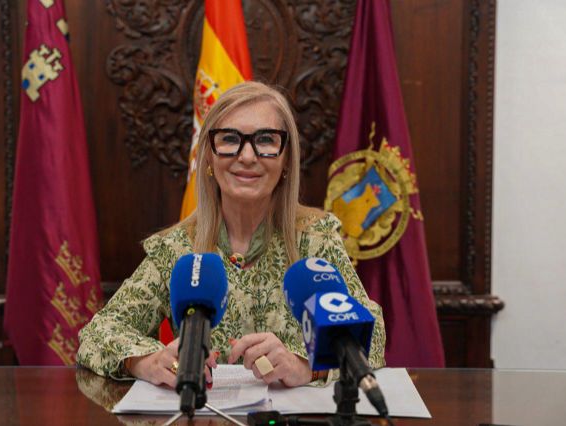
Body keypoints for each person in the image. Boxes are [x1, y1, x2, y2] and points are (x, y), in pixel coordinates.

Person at [77, 81, 385, 387]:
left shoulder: (317, 239)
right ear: (209, 157)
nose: (247, 156)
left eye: (266, 140)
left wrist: (307, 366)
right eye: (229, 139)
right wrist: (147, 361)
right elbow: (97, 334)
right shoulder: (177, 249)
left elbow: (372, 337)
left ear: (287, 160)